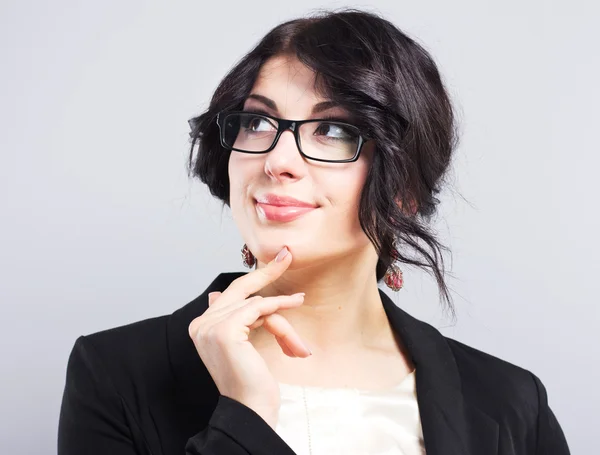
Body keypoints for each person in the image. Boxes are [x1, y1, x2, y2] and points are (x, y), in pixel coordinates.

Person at [57, 8, 570, 455]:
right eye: (257, 122)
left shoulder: (510, 402)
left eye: (335, 130)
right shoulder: (116, 374)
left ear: (405, 188)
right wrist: (245, 418)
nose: (278, 161)